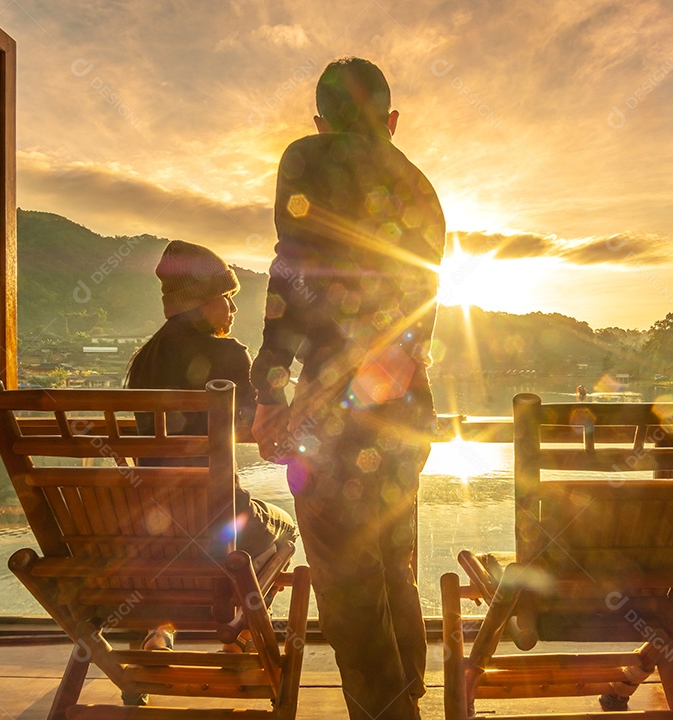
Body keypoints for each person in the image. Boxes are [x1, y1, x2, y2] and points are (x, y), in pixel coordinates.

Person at [250, 57, 445, 720]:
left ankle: (387, 713)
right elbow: (420, 299)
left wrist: (270, 390)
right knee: (394, 568)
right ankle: (405, 701)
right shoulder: (418, 185)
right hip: (407, 413)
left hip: (332, 420)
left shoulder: (306, 160)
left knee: (348, 585)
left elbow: (288, 285)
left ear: (320, 121)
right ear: (392, 121)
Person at [124, 240, 298, 656]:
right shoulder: (227, 354)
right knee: (287, 528)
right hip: (219, 521)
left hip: (156, 523)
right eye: (225, 298)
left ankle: (159, 632)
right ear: (200, 302)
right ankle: (239, 630)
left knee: (177, 557)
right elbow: (259, 421)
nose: (233, 310)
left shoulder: (144, 360)